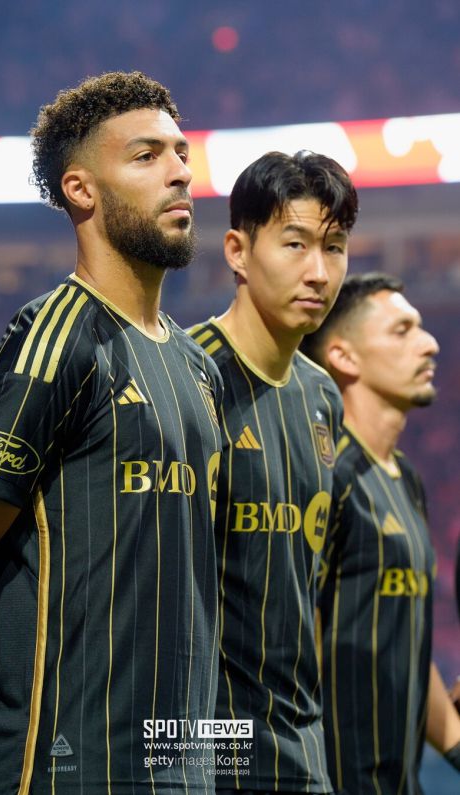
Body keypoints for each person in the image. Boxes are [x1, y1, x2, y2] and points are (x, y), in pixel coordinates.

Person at [0, 70, 223, 795]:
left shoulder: (196, 366)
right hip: (57, 769)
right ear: (81, 189)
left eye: (181, 153)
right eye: (147, 155)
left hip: (181, 768)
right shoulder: (55, 338)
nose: (180, 172)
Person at [189, 150, 359, 793]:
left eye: (334, 248)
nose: (319, 271)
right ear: (238, 251)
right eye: (295, 244)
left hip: (300, 744)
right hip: (204, 746)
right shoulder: (186, 377)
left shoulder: (323, 396)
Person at [301, 272, 460, 794]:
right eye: (402, 330)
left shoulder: (406, 477)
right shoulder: (324, 475)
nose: (429, 342)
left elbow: (408, 647)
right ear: (344, 357)